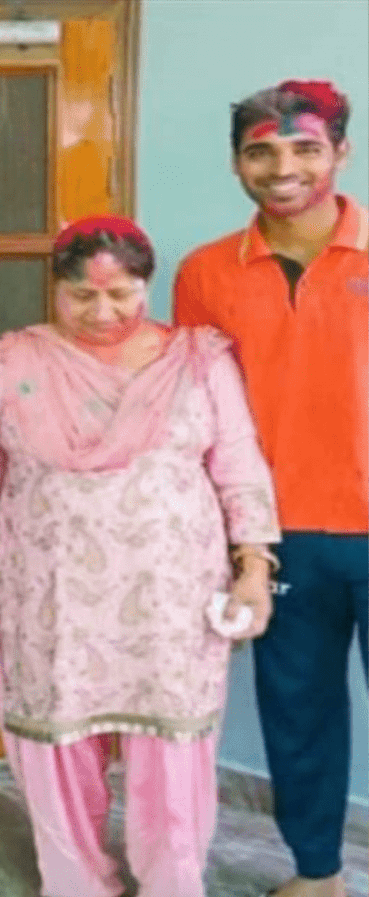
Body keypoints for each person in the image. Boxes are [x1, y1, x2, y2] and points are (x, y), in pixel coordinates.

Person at [0, 215, 281, 897]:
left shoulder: (198, 360)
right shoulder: (9, 363)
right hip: (50, 593)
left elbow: (240, 468)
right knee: (56, 745)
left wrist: (254, 568)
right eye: (81, 295)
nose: (102, 312)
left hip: (171, 596)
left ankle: (172, 882)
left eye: (122, 294)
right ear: (53, 287)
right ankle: (76, 882)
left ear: (146, 285)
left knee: (173, 753)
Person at [173, 80, 368, 897]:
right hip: (277, 536)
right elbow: (193, 415)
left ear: (340, 152)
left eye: (304, 147)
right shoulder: (208, 272)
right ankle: (318, 873)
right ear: (237, 161)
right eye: (262, 150)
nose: (282, 166)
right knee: (300, 715)